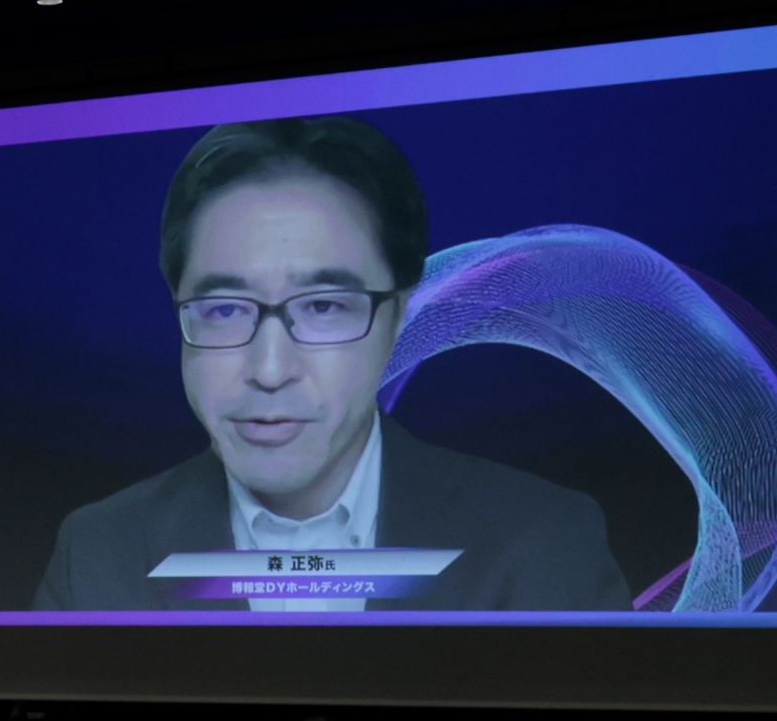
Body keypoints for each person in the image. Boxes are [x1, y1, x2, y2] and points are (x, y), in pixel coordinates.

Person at [33, 117, 631, 611]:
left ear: (397, 317)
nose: (270, 370)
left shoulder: (544, 541)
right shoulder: (96, 552)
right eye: (224, 310)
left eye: (323, 307)